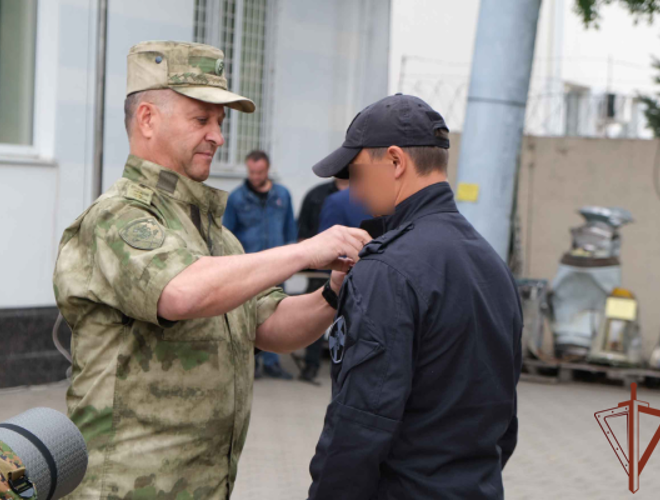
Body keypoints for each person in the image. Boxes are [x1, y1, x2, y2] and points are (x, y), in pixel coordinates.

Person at [53, 41, 371, 500]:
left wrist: (332, 293)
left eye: (219, 123)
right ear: (147, 118)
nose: (218, 136)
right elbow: (179, 292)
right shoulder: (117, 218)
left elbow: (272, 326)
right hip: (125, 488)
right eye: (201, 119)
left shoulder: (216, 237)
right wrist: (305, 251)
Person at [306, 94, 523, 499]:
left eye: (355, 173)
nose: (353, 193)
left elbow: (359, 423)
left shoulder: (386, 270)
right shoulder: (493, 266)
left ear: (394, 161)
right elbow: (503, 420)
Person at [223, 150, 296, 379]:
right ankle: (249, 364)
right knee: (248, 315)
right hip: (249, 267)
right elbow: (227, 234)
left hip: (278, 265)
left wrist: (292, 259)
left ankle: (273, 363)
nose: (255, 176)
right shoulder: (236, 198)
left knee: (276, 313)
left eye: (260, 172)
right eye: (252, 172)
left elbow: (290, 230)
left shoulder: (282, 195)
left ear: (268, 169)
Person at [297, 186, 370, 384]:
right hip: (335, 275)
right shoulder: (320, 196)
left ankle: (319, 367)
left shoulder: (336, 200)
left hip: (340, 273)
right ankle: (313, 365)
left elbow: (325, 244)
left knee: (332, 322)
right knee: (329, 321)